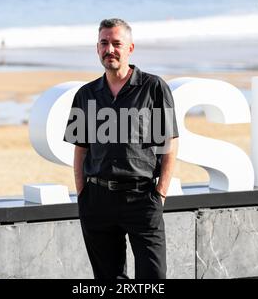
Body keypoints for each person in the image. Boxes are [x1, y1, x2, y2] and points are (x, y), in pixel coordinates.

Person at [64, 18, 179, 279]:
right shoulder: (86, 94)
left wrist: (160, 194)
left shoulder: (153, 87)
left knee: (153, 278)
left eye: (117, 43)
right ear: (97, 48)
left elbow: (169, 145)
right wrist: (82, 193)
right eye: (104, 43)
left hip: (142, 198)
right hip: (97, 200)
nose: (110, 49)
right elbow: (80, 148)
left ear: (130, 48)